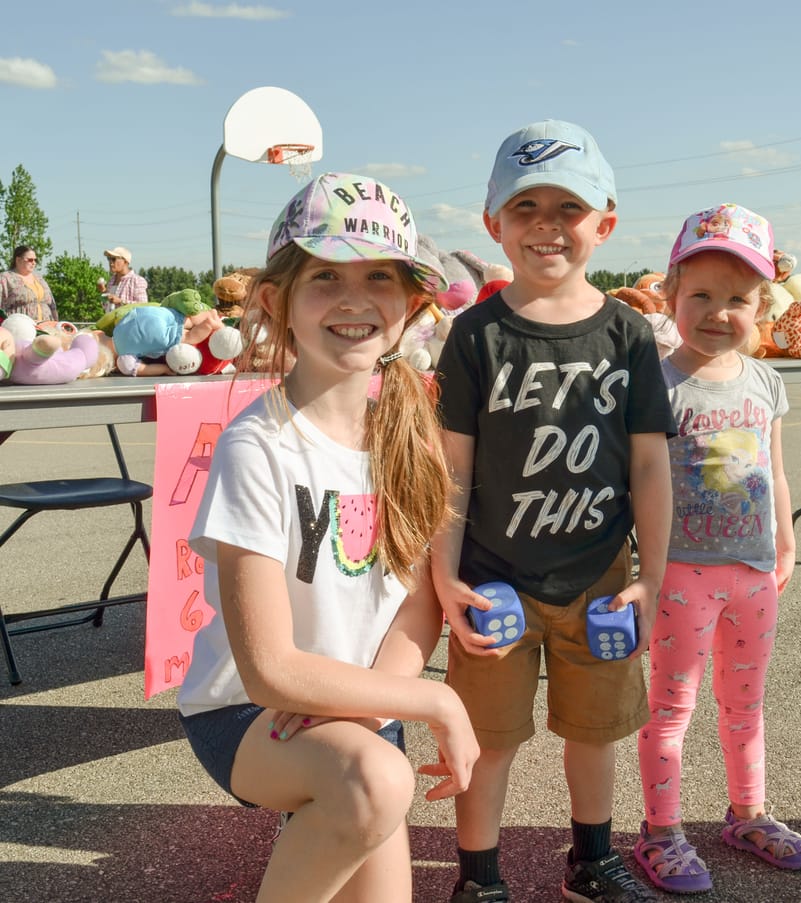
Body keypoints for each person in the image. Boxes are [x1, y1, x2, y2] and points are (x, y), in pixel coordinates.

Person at [176, 172, 480, 902]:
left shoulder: (407, 438)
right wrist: (435, 703)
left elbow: (415, 607)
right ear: (279, 303)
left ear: (410, 306)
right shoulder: (260, 446)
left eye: (378, 276)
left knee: (377, 783)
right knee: (378, 779)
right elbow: (268, 669)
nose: (353, 298)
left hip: (368, 710)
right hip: (249, 715)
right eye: (324, 277)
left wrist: (379, 705)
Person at [432, 120, 674, 903]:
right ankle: (480, 877)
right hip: (493, 577)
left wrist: (653, 579)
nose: (546, 224)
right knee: (488, 742)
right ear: (492, 222)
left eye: (567, 207)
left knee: (596, 733)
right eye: (525, 204)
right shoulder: (475, 336)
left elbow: (648, 464)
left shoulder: (629, 335)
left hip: (599, 576)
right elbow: (452, 473)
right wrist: (443, 578)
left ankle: (592, 862)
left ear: (603, 221)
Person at [633, 204, 801, 895]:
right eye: (700, 295)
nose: (717, 311)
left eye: (737, 299)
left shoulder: (766, 384)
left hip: (754, 572)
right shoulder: (658, 381)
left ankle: (748, 813)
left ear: (762, 305)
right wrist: (644, 569)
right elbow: (639, 481)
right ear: (672, 296)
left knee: (745, 705)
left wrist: (787, 540)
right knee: (670, 708)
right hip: (682, 574)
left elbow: (773, 470)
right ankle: (661, 831)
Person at [0, 246, 57, 321]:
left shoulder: (39, 279)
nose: (34, 263)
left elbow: (52, 305)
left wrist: (56, 322)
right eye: (30, 260)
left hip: (45, 327)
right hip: (18, 328)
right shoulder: (5, 278)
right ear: (18, 260)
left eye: (35, 260)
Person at [101, 246, 148, 311]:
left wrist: (121, 302)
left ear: (125, 261)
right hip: (112, 320)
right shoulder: (111, 281)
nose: (110, 262)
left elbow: (143, 306)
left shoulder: (137, 280)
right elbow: (105, 307)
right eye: (109, 259)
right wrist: (103, 291)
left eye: (114, 259)